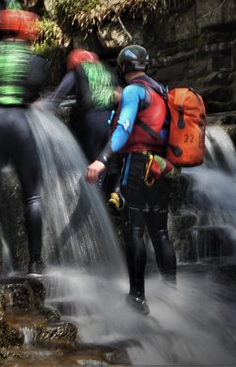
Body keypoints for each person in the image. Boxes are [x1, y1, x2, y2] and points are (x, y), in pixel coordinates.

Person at [86, 44, 178, 316]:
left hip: (137, 164)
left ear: (124, 68)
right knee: (160, 231)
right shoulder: (161, 91)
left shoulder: (133, 91)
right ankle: (172, 293)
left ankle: (137, 298)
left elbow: (124, 128)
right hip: (162, 166)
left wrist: (102, 159)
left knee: (134, 230)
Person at [0, 9, 48, 280]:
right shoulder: (35, 59)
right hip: (19, 122)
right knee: (32, 195)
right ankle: (36, 263)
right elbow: (35, 89)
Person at [45, 48, 120, 175]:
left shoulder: (77, 71)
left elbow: (56, 98)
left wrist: (37, 107)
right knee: (101, 163)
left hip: (91, 121)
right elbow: (119, 95)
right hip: (110, 121)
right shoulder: (108, 71)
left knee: (88, 165)